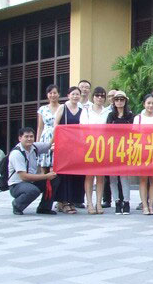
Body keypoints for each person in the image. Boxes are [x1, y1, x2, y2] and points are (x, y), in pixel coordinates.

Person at [8, 127, 59, 215]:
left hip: (31, 182)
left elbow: (49, 145)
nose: (29, 139)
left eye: (31, 136)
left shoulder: (34, 147)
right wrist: (46, 176)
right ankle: (17, 205)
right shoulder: (17, 153)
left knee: (54, 179)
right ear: (20, 138)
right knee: (33, 190)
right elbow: (24, 177)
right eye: (26, 136)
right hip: (17, 185)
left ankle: (44, 208)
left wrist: (57, 131)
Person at [53, 86, 85, 214]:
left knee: (75, 174)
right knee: (64, 174)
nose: (75, 96)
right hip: (64, 145)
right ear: (68, 95)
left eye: (77, 94)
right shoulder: (63, 108)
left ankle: (72, 201)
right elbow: (56, 125)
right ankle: (63, 201)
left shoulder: (82, 110)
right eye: (73, 94)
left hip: (77, 146)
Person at [79, 86, 109, 214]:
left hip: (103, 147)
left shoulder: (107, 112)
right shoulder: (86, 111)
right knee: (89, 175)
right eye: (97, 95)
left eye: (102, 96)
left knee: (101, 176)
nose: (100, 98)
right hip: (89, 147)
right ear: (93, 97)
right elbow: (82, 128)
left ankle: (98, 203)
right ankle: (90, 203)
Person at [106, 90, 133, 215]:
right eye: (117, 99)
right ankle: (117, 202)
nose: (119, 102)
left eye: (122, 99)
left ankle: (126, 202)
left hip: (126, 149)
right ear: (114, 102)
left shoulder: (130, 115)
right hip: (113, 148)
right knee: (112, 178)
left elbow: (133, 131)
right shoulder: (111, 116)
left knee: (124, 176)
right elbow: (106, 131)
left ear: (125, 101)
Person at [36, 84, 60, 173]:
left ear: (59, 94)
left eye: (55, 93)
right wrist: (37, 143)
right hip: (45, 137)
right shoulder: (42, 109)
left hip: (58, 137)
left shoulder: (62, 108)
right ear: (47, 95)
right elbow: (40, 127)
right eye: (50, 93)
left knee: (56, 165)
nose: (53, 95)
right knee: (44, 166)